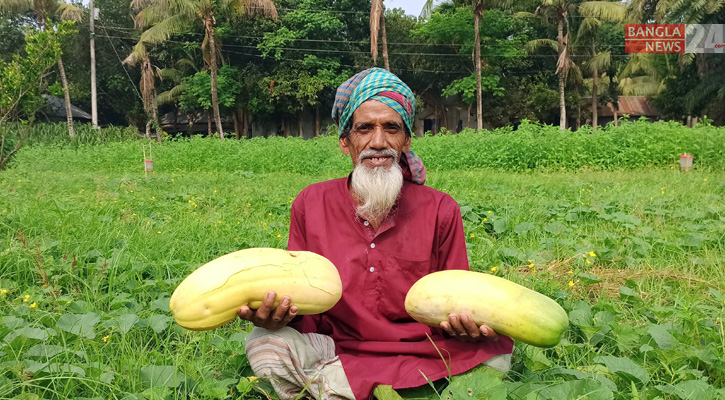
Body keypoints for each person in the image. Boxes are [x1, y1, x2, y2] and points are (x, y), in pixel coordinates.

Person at [238, 68, 514, 400]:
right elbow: (300, 296)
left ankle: (332, 390)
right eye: (365, 128)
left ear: (406, 141)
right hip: (337, 348)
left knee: (496, 353)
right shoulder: (311, 203)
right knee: (264, 344)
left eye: (392, 128)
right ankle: (391, 389)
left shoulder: (441, 208)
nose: (378, 142)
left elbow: (456, 295)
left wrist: (466, 325)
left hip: (424, 350)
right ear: (345, 142)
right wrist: (277, 316)